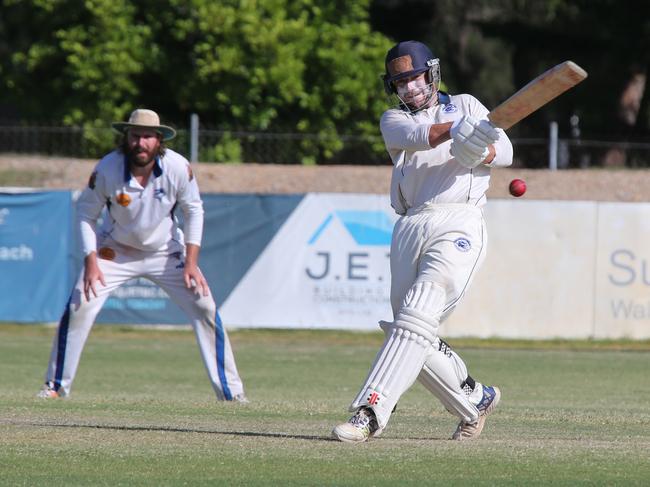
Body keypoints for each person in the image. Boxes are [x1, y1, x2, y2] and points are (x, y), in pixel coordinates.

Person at [332, 41, 513, 442]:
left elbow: (505, 153)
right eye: (400, 82)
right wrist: (456, 132)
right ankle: (475, 400)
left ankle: (370, 411)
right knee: (410, 329)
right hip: (411, 223)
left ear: (431, 73)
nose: (409, 88)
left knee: (418, 311)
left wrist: (478, 150)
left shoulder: (467, 103)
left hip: (459, 219)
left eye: (414, 78)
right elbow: (422, 135)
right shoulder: (392, 119)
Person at [37, 108, 247, 402]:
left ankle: (231, 394)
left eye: (148, 136)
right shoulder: (108, 169)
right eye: (135, 135)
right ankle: (56, 387)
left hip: (166, 252)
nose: (141, 142)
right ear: (127, 137)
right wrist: (91, 262)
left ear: (159, 140)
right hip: (114, 251)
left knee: (205, 307)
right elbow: (85, 214)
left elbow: (194, 211)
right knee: (79, 306)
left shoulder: (177, 167)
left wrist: (191, 262)